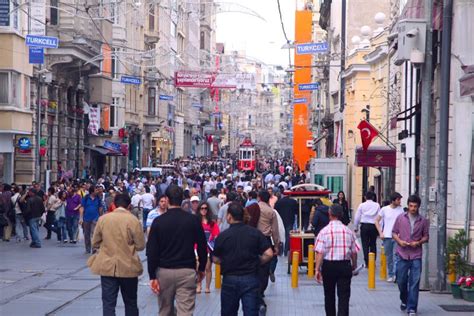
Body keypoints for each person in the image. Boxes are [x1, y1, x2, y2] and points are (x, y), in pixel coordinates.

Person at [146, 185, 207, 316]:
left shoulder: (158, 222)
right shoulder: (193, 220)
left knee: (165, 311)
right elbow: (202, 246)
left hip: (164, 272)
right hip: (187, 271)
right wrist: (201, 268)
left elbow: (152, 251)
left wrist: (152, 275)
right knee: (185, 311)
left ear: (167, 199)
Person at [88, 193, 145, 316]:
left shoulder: (104, 219)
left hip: (108, 266)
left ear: (114, 204)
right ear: (129, 206)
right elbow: (141, 246)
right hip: (128, 267)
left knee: (108, 303)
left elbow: (95, 242)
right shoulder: (133, 220)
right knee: (130, 302)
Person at [212, 202, 274, 316]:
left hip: (229, 278)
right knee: (251, 312)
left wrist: (226, 261)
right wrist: (258, 261)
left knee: (228, 312)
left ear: (229, 216)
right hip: (250, 278)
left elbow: (215, 259)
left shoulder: (223, 236)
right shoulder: (255, 233)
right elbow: (269, 254)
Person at [314, 205, 360, 316]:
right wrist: (354, 265)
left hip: (329, 266)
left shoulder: (324, 232)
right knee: (344, 296)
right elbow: (354, 251)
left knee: (329, 295)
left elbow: (320, 252)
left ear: (329, 214)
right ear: (341, 215)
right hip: (344, 265)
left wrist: (317, 269)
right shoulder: (348, 231)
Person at [392, 195, 429, 315]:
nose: (413, 208)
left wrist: (418, 242)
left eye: (415, 206)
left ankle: (412, 307)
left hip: (416, 255)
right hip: (402, 254)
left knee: (414, 282)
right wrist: (399, 241)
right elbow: (394, 233)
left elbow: (426, 236)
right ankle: (404, 299)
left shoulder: (423, 221)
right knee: (401, 280)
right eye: (411, 206)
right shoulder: (400, 218)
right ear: (408, 206)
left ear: (418, 207)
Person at [256, 190, 280, 311]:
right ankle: (261, 290)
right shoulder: (271, 211)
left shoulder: (253, 208)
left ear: (259, 197)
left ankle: (255, 289)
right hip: (265, 240)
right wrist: (276, 245)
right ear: (269, 198)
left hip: (253, 239)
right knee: (265, 267)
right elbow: (275, 230)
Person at [375, 192, 404, 282]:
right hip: (387, 235)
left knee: (397, 256)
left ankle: (395, 274)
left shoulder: (401, 210)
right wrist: (380, 233)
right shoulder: (384, 209)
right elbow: (376, 220)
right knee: (389, 256)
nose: (399, 201)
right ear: (393, 200)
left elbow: (403, 223)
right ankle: (390, 274)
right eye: (398, 200)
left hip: (397, 236)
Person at [195, 201, 220, 294]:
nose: (204, 210)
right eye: (202, 208)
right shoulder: (196, 221)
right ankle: (198, 285)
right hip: (197, 247)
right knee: (198, 267)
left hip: (208, 247)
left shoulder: (212, 223)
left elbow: (216, 234)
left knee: (208, 267)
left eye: (205, 208)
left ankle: (207, 286)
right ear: (199, 209)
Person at [354, 191, 380, 266]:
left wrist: (356, 227)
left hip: (364, 225)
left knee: (365, 244)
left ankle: (366, 261)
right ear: (373, 197)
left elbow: (357, 217)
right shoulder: (377, 205)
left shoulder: (362, 205)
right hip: (373, 226)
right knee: (373, 244)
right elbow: (379, 216)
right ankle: (372, 261)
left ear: (365, 197)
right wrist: (379, 228)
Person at [80, 186, 103, 254]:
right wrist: (81, 218)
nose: (97, 191)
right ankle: (87, 248)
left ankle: (94, 248)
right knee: (86, 234)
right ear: (92, 192)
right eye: (96, 190)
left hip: (95, 218)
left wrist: (100, 217)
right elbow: (82, 208)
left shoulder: (98, 198)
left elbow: (100, 208)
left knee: (94, 234)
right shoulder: (86, 198)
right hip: (86, 218)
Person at [274, 190, 298, 256]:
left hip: (280, 221)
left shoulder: (279, 202)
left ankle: (280, 251)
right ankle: (286, 250)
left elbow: (275, 211)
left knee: (280, 235)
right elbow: (296, 211)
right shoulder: (293, 202)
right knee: (288, 236)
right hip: (290, 220)